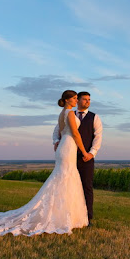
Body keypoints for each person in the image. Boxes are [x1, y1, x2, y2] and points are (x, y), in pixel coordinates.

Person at [0, 90, 88, 235]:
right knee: (65, 178)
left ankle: (65, 215)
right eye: (74, 98)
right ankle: (63, 217)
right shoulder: (70, 113)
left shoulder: (62, 114)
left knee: (63, 178)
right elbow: (75, 133)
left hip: (64, 146)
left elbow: (61, 132)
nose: (76, 101)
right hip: (68, 146)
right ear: (67, 100)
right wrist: (84, 151)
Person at [53, 91, 102, 225]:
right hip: (69, 154)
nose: (87, 102)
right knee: (68, 184)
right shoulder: (69, 113)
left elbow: (98, 137)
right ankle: (66, 214)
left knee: (86, 186)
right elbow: (58, 130)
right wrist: (56, 141)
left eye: (89, 100)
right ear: (77, 100)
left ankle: (87, 217)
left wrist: (91, 153)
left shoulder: (94, 117)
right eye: (84, 99)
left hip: (85, 157)